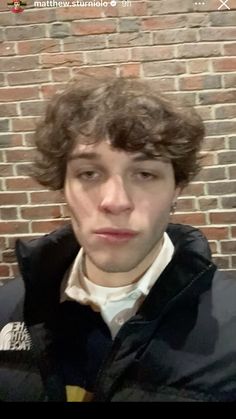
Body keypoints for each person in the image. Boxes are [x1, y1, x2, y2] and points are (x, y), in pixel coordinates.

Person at [0, 78, 236, 402]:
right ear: (62, 187)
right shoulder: (7, 310)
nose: (115, 201)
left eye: (145, 174)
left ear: (176, 189)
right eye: (88, 174)